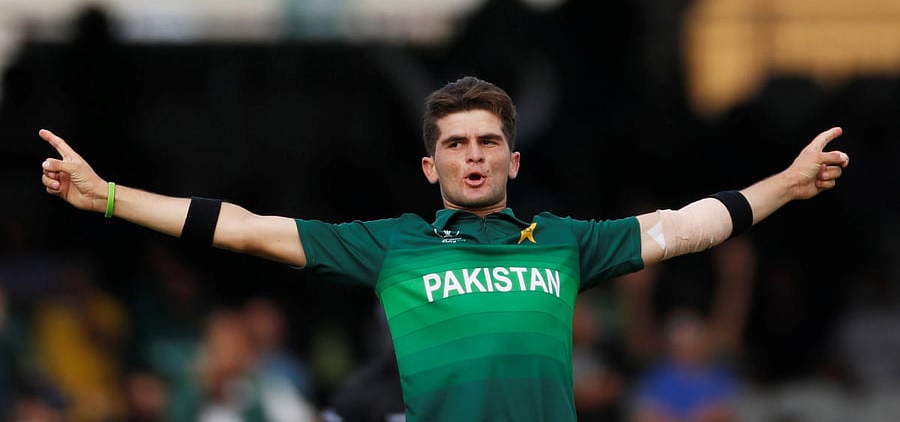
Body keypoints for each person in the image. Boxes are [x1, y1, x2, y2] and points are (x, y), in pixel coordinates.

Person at [38, 76, 849, 421]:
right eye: (456, 143)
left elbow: (685, 224)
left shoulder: (569, 242)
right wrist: (106, 194)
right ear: (431, 165)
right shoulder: (391, 245)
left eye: (488, 141)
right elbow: (244, 227)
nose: (473, 154)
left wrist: (787, 180)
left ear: (512, 160)